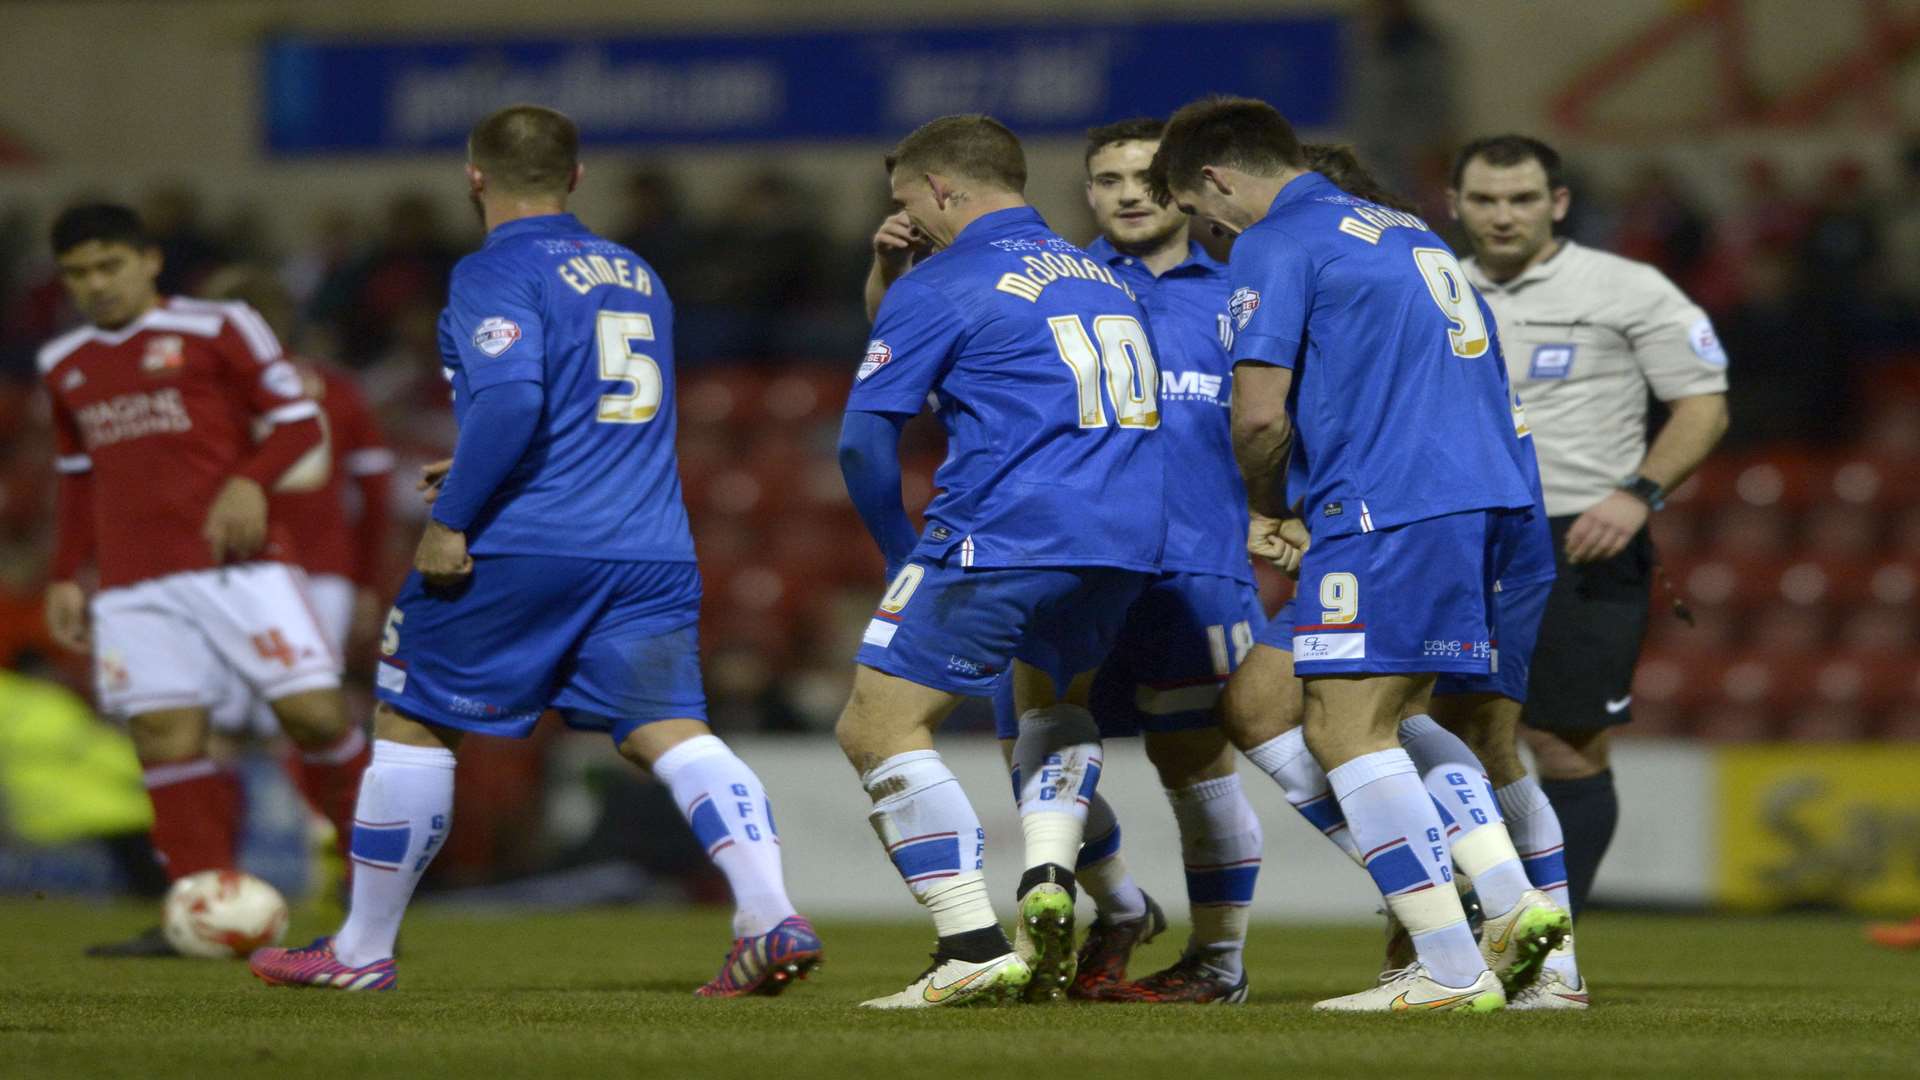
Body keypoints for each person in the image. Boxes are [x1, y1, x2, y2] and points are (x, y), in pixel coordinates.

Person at [248, 105, 818, 996]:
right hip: (650, 545)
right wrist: (478, 456)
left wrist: (453, 517)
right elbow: (587, 407)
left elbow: (514, 400)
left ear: (474, 176)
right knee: (668, 731)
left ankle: (360, 949)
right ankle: (768, 914)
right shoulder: (637, 271)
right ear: (577, 177)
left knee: (413, 718)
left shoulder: (494, 270)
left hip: (528, 542)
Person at [1151, 97, 1540, 1011]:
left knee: (1340, 728)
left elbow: (1256, 413)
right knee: (1399, 714)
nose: (1213, 233)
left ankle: (1448, 965)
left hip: (1387, 503)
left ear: (1215, 180)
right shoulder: (1402, 227)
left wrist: (1265, 506)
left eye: (1206, 215)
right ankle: (1514, 912)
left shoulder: (1278, 241)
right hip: (1478, 496)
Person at [836, 113, 1165, 1008]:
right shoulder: (1101, 275)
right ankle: (1059, 880)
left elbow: (866, 442)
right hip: (1126, 540)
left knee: (876, 728)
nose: (907, 218)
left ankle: (969, 944)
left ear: (943, 189)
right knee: (1049, 706)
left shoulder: (949, 278)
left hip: (1006, 534)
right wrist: (893, 278)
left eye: (908, 200)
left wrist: (905, 557)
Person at [38, 203, 362, 956]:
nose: (96, 284)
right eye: (78, 273)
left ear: (149, 259)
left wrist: (250, 482)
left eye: (109, 265)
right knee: (164, 735)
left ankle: (369, 889)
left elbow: (295, 423)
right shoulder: (65, 364)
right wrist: (64, 574)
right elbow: (78, 475)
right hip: (130, 583)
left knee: (315, 717)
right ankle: (196, 908)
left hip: (236, 568)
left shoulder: (220, 326)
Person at [1450, 134, 1731, 1001]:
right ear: (1456, 204)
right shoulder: (1436, 288)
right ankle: (1478, 932)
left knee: (1563, 744)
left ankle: (1550, 948)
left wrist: (1637, 493)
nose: (1504, 215)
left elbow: (1704, 404)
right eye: (1487, 199)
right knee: (1459, 741)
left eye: (1523, 199)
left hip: (1584, 533)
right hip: (1462, 534)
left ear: (1558, 204)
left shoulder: (1628, 287)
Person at [201, 267, 393, 878]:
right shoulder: (336, 388)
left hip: (235, 571)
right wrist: (364, 580)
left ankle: (214, 873)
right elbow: (377, 491)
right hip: (324, 577)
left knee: (221, 727)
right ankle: (335, 860)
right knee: (310, 722)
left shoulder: (205, 396)